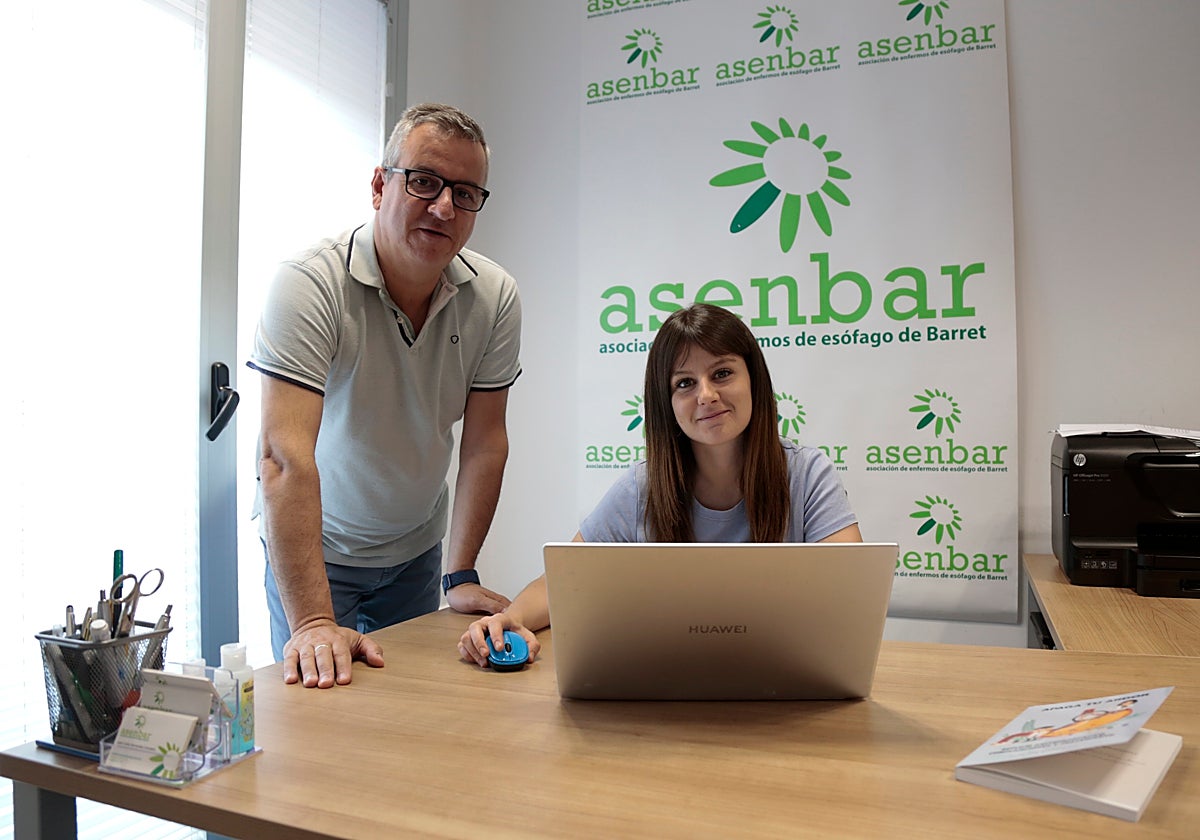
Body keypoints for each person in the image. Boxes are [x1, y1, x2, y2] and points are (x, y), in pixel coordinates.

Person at [249, 103, 522, 688]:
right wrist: (315, 619)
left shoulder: (495, 296)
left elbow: (484, 443)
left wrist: (461, 573)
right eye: (424, 182)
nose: (444, 206)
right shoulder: (309, 282)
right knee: (321, 716)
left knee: (414, 711)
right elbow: (282, 456)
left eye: (466, 193)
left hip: (415, 549)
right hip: (318, 549)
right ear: (380, 185)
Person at [459, 302, 861, 667]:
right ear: (665, 402)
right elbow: (564, 581)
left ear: (753, 380)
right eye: (684, 383)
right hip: (667, 686)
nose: (706, 395)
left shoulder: (808, 473)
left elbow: (848, 593)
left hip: (787, 678)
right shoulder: (642, 487)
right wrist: (509, 620)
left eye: (722, 373)